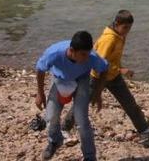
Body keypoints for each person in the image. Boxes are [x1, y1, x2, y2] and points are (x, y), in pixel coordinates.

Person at [63, 11, 149, 142]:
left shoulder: (119, 36)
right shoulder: (109, 39)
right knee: (82, 103)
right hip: (97, 78)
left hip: (114, 76)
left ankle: (144, 129)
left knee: (129, 102)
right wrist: (121, 69)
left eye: (129, 28)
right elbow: (100, 62)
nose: (127, 31)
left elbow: (114, 58)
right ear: (116, 24)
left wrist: (118, 69)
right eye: (125, 28)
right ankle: (64, 128)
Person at [35, 31, 108, 161]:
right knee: (51, 116)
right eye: (83, 54)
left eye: (88, 53)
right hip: (60, 79)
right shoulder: (54, 53)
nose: (86, 58)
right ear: (72, 50)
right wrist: (40, 94)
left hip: (81, 80)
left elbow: (104, 69)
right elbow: (40, 69)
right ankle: (55, 141)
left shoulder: (91, 56)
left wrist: (98, 93)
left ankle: (90, 156)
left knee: (82, 121)